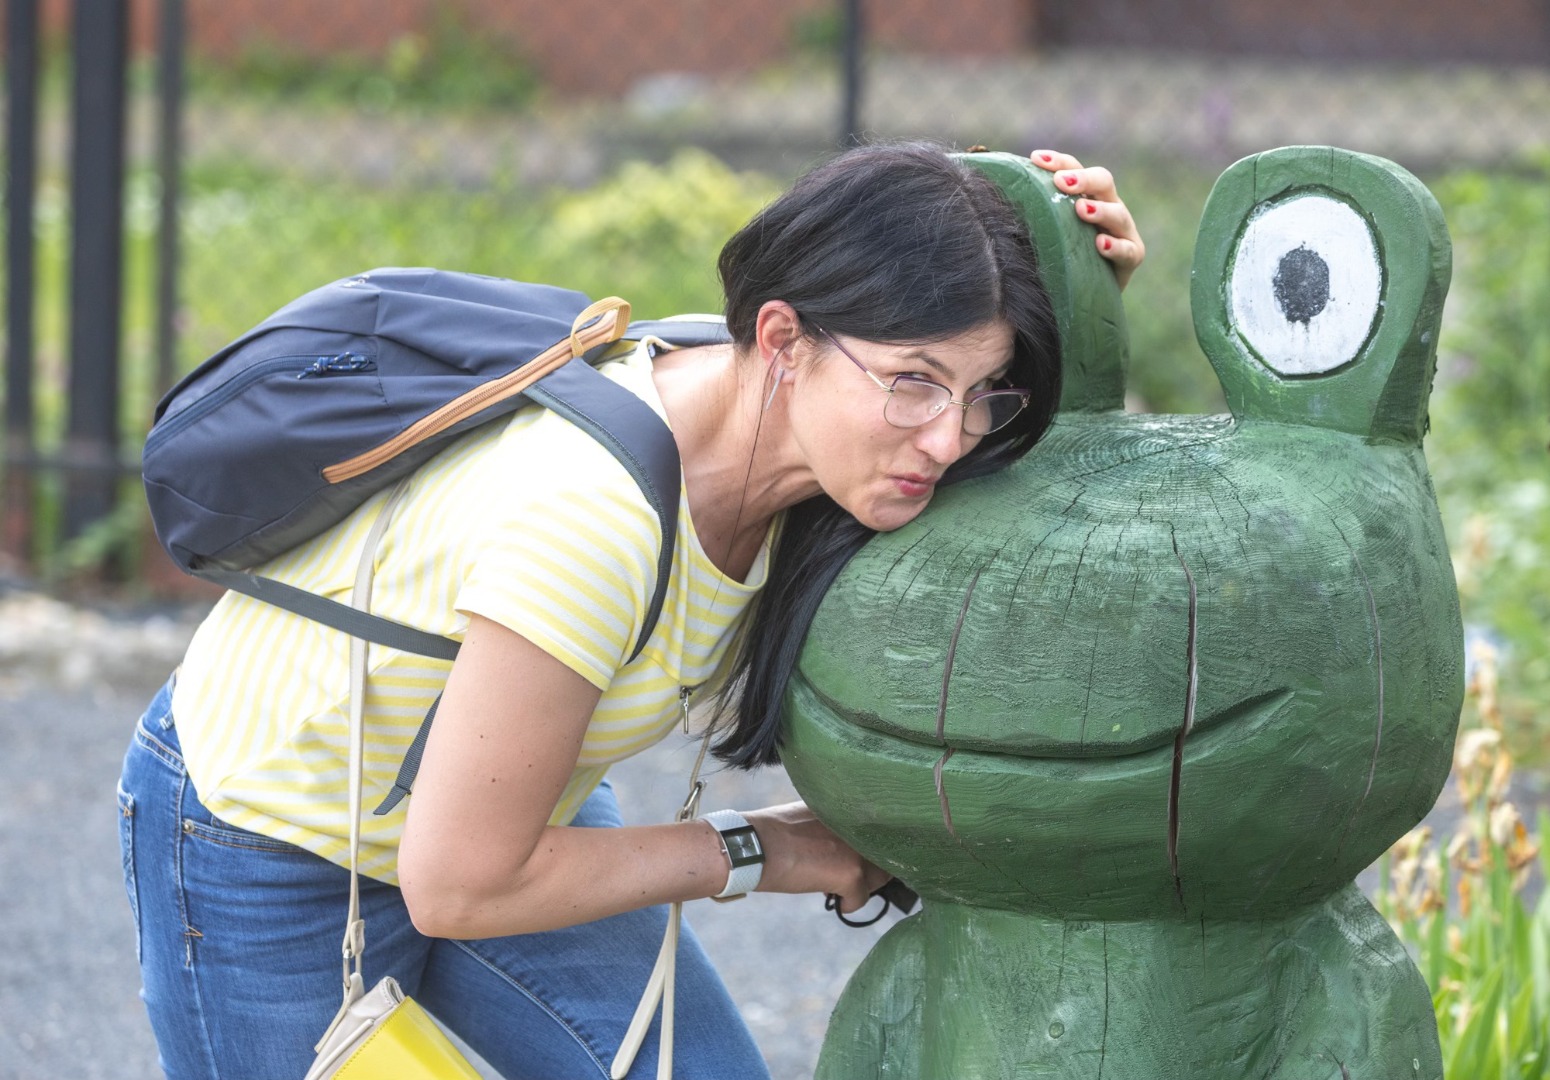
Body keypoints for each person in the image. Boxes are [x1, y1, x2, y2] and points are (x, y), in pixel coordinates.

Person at [116, 144, 1144, 1080]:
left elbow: (1038, 539)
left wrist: (1085, 304)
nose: (948, 438)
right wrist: (763, 851)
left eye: (983, 393)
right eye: (915, 382)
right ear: (783, 338)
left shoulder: (830, 455)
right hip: (267, 836)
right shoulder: (593, 521)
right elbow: (464, 886)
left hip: (505, 809)